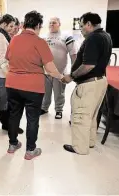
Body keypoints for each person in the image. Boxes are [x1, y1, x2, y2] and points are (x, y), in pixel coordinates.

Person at [5, 11, 64, 160]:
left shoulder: (13, 40)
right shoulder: (39, 42)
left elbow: (8, 60)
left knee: (14, 115)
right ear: (38, 25)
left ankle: (13, 144)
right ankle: (30, 150)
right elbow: (50, 68)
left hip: (12, 84)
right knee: (32, 118)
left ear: (24, 24)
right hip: (32, 87)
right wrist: (61, 77)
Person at [62, 12, 112, 154]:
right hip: (100, 81)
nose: (81, 30)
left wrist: (71, 76)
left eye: (82, 26)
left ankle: (80, 148)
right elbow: (105, 61)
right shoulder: (106, 36)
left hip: (89, 84)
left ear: (89, 24)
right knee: (91, 115)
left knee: (81, 116)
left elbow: (88, 65)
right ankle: (89, 142)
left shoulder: (93, 39)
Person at [0, 14, 23, 134]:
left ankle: (8, 125)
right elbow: (1, 60)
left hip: (0, 74)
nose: (13, 28)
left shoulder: (1, 35)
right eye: (11, 26)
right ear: (3, 24)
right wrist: (11, 77)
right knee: (5, 100)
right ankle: (7, 125)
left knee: (6, 100)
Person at [41, 17, 77, 119]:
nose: (51, 24)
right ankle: (44, 108)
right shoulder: (43, 37)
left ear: (59, 24)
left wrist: (73, 72)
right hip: (45, 72)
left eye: (54, 23)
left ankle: (59, 110)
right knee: (45, 92)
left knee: (59, 93)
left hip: (59, 72)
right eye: (50, 23)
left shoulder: (66, 36)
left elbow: (73, 54)